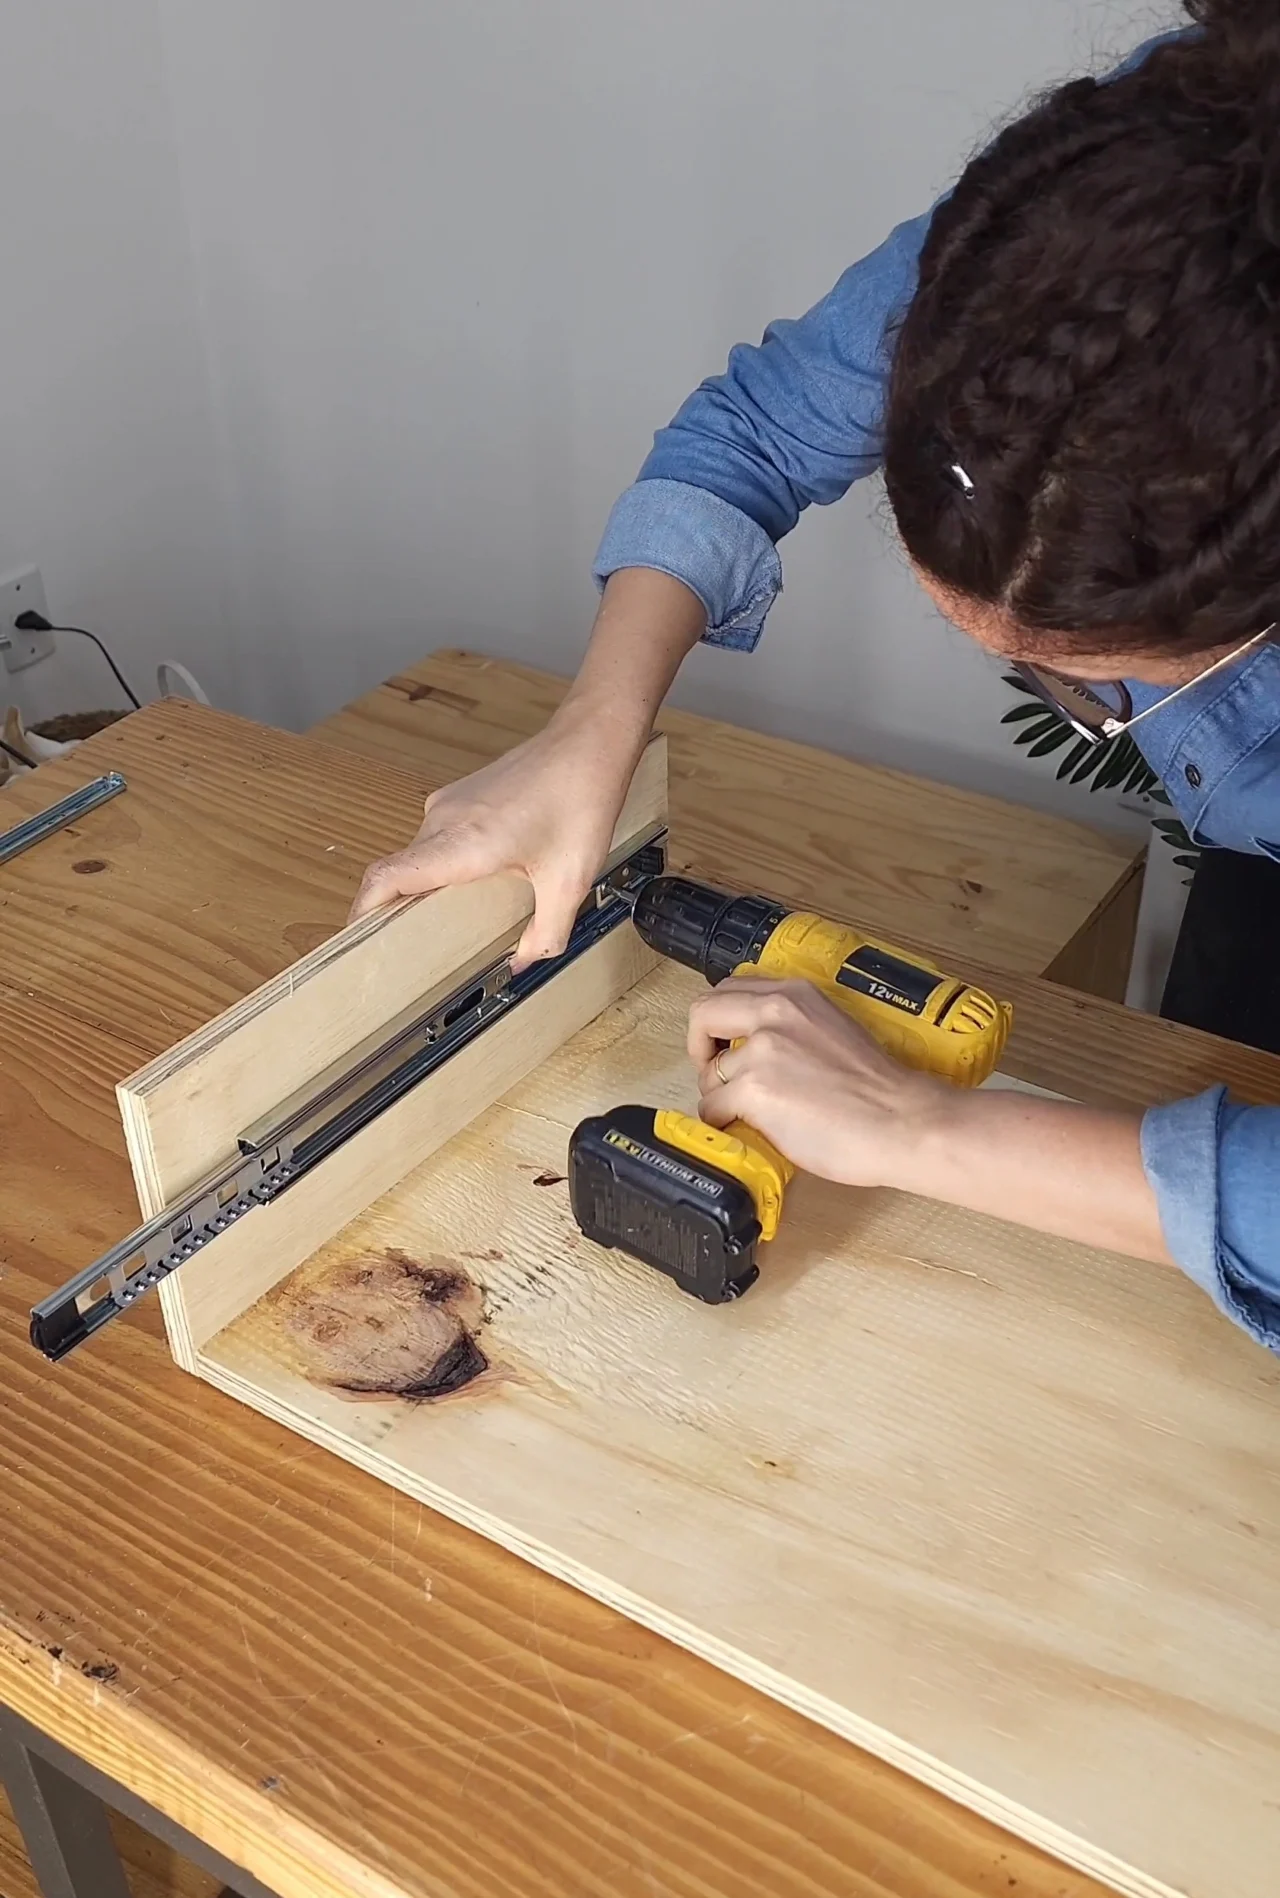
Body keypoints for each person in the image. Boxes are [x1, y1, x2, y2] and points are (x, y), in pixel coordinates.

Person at [352, 0, 1280, 1350]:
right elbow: (761, 427)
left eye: (1091, 681)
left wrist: (926, 1128)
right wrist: (589, 733)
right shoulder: (1145, 203)